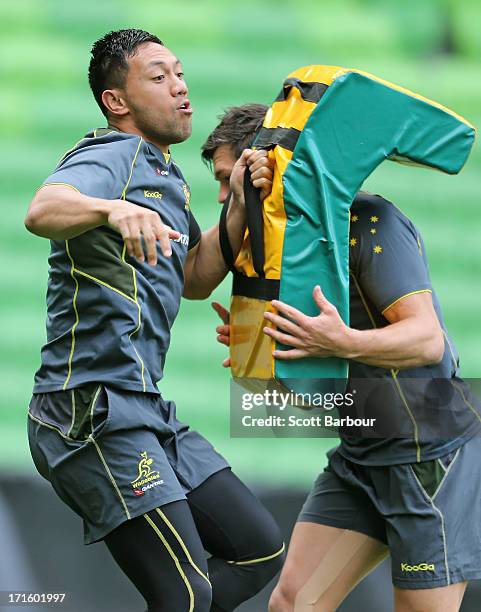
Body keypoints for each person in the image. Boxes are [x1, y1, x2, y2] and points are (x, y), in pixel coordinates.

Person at [25, 30, 284, 612]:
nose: (181, 87)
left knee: (258, 548)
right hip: (87, 408)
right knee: (186, 592)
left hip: (143, 406)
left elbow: (194, 277)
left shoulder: (167, 176)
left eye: (181, 73)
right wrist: (112, 208)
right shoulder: (111, 156)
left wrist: (240, 201)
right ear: (118, 101)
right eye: (159, 76)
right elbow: (41, 210)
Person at [202, 104, 481, 612]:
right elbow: (323, 370)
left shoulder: (371, 220)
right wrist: (271, 352)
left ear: (270, 167)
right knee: (291, 605)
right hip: (362, 454)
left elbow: (426, 340)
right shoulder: (284, 246)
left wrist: (338, 341)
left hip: (432, 460)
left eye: (228, 179)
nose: (223, 197)